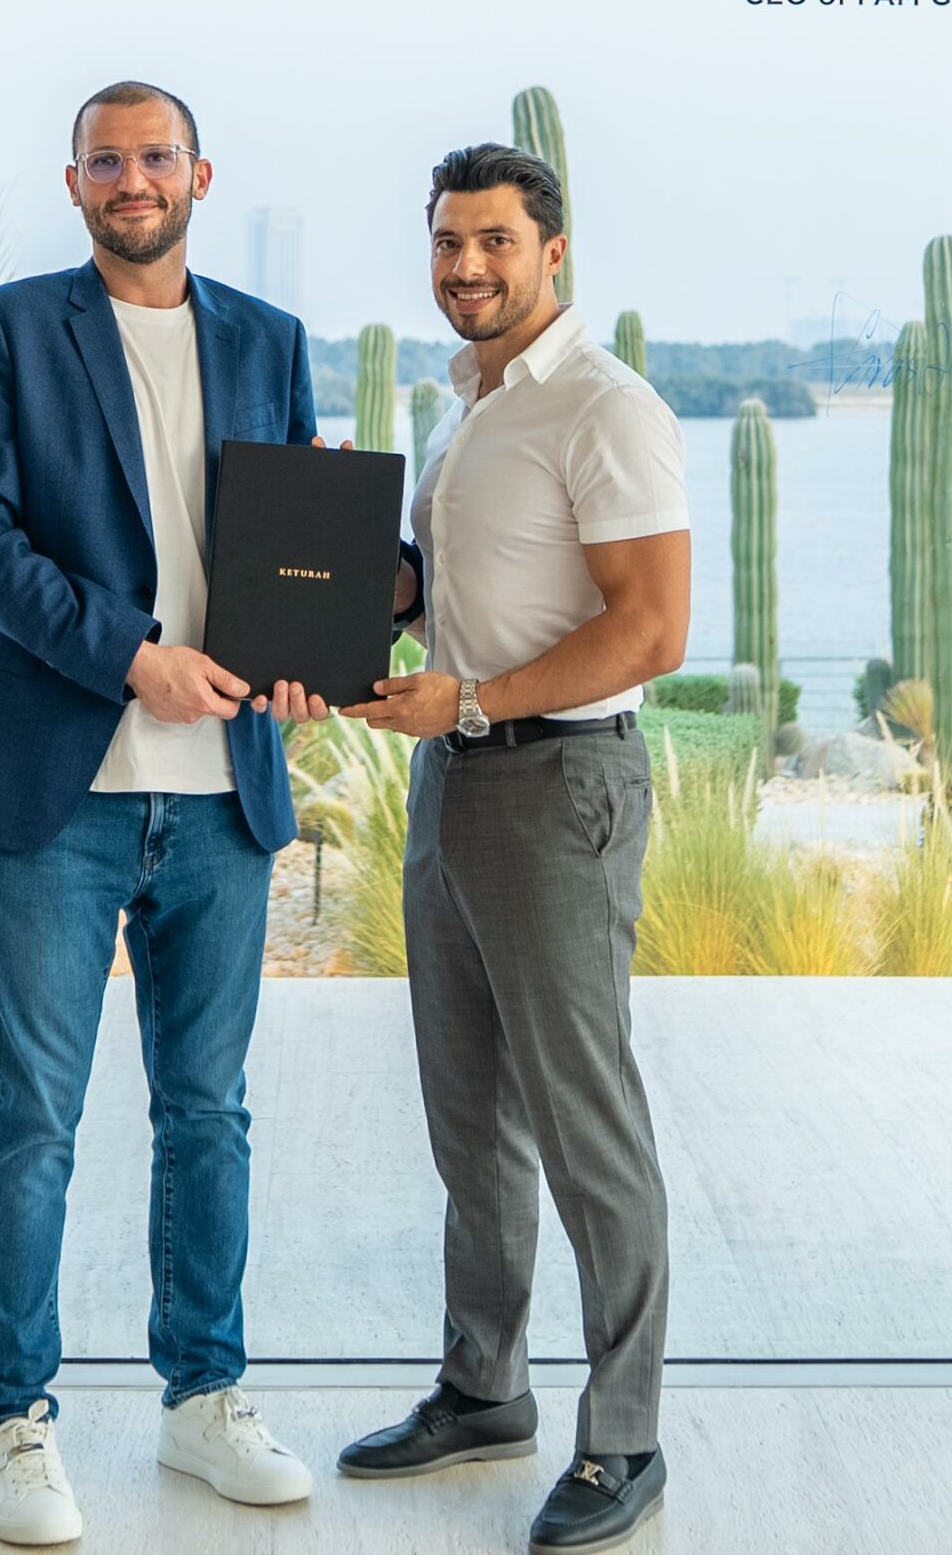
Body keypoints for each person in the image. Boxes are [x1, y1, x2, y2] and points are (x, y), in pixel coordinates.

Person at [0, 80, 322, 1547]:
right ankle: (12, 1424)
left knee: (207, 1114)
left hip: (224, 794)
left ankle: (203, 1399)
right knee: (32, 1119)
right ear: (76, 181)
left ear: (200, 176)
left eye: (158, 157)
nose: (134, 178)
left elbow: (297, 541)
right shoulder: (9, 330)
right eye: (109, 160)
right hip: (63, 788)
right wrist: (131, 655)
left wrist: (312, 651)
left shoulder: (271, 340)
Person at [313, 140, 690, 1555]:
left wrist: (467, 699)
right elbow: (444, 599)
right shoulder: (468, 405)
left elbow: (653, 629)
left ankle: (625, 1436)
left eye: (495, 242)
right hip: (455, 782)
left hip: (560, 785)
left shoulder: (607, 407)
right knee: (468, 1116)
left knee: (587, 1123)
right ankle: (484, 1389)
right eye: (448, 242)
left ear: (553, 251)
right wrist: (338, 550)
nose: (467, 266)